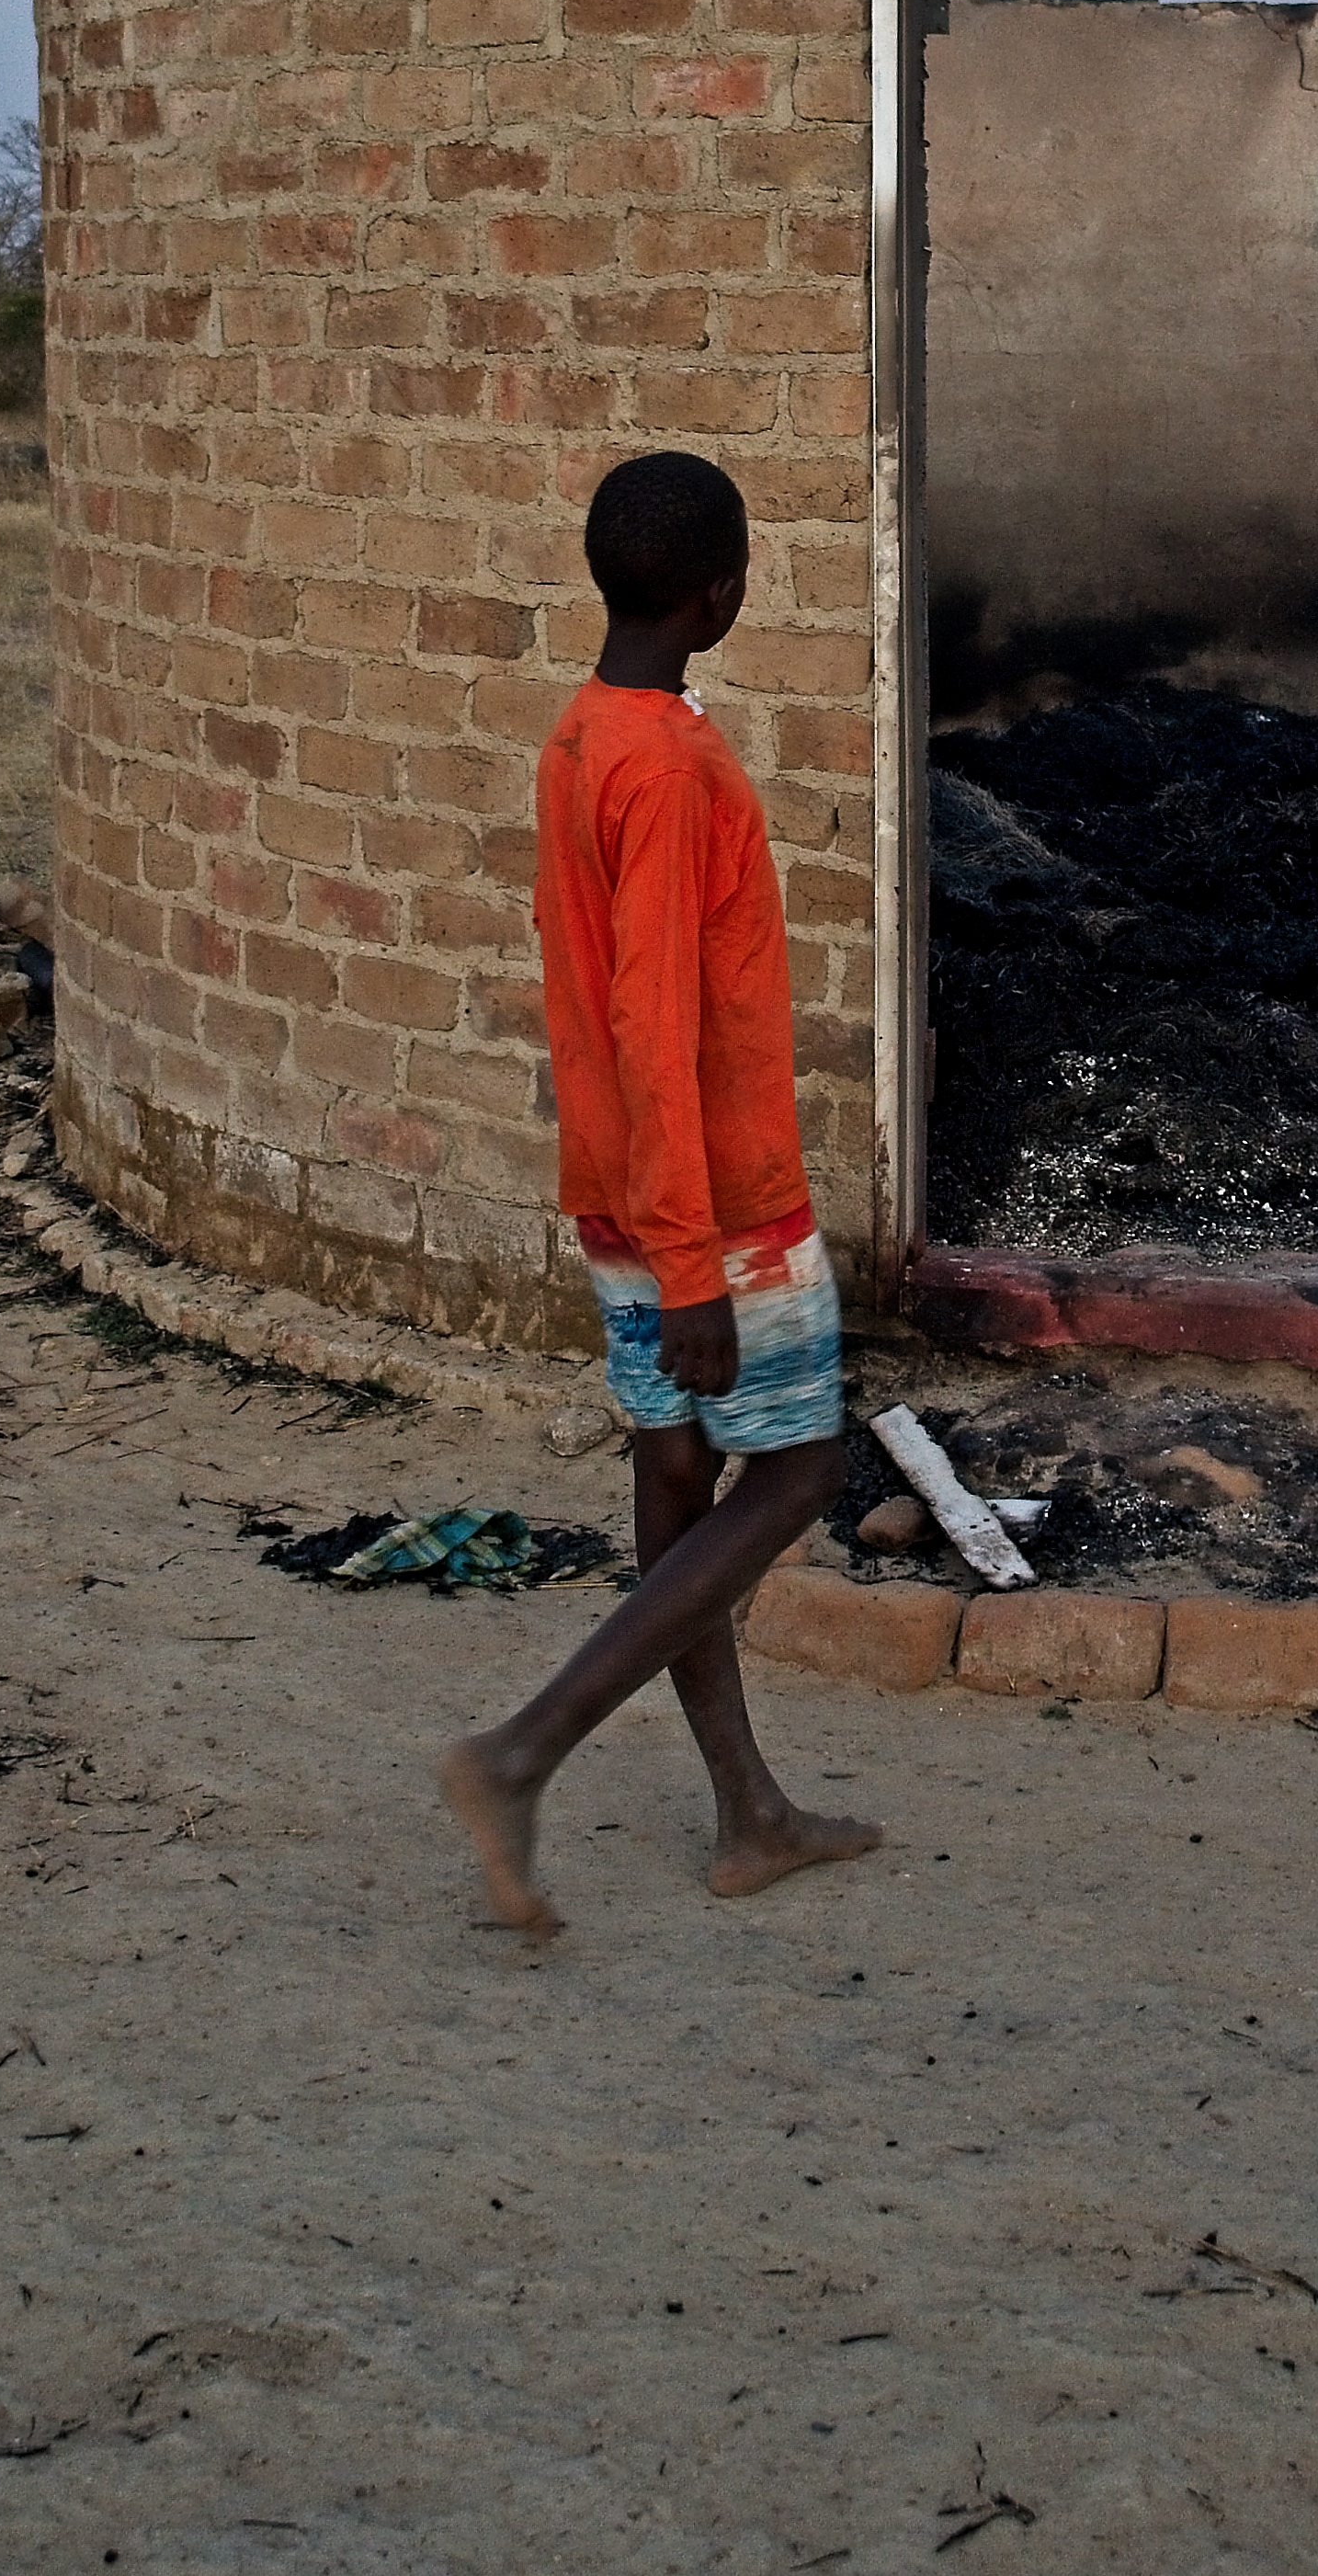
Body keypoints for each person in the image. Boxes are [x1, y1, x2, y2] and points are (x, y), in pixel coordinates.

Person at [433, 448, 884, 1940]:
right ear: (722, 592)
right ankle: (524, 1750)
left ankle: (748, 1811)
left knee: (677, 1483)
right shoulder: (675, 770)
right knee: (802, 1474)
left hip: (623, 1196)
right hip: (714, 1210)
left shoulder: (582, 736)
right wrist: (696, 1263)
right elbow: (650, 1018)